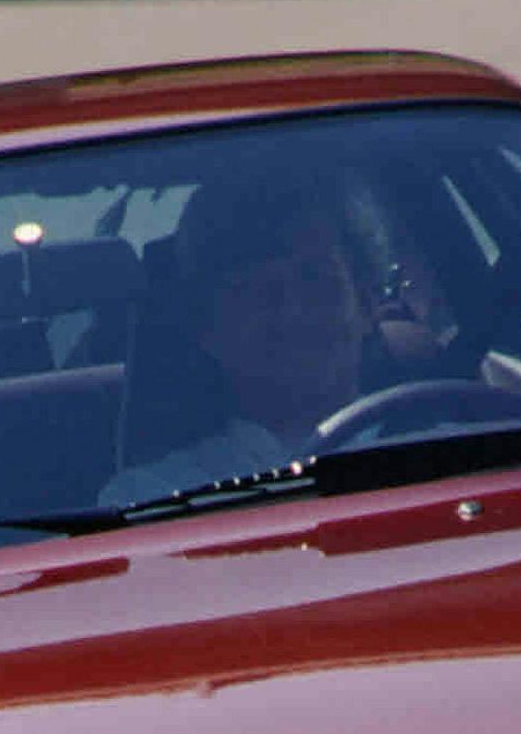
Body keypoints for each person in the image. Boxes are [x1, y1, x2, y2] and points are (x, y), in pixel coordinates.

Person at [100, 174, 378, 504]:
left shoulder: (446, 450)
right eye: (255, 291)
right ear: (206, 328)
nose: (293, 312)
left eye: (316, 279)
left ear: (366, 304)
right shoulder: (153, 498)